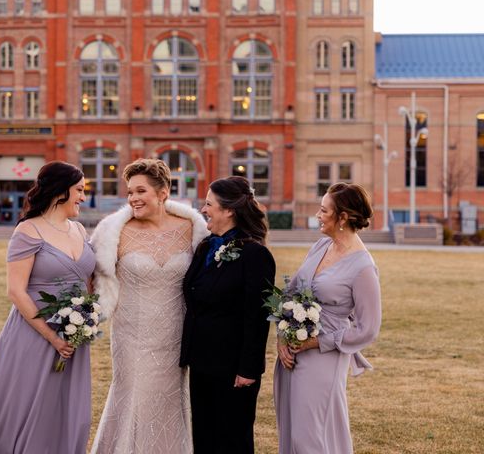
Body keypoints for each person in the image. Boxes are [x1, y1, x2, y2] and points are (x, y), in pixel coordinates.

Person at [0, 161, 95, 454]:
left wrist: (87, 317)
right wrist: (52, 337)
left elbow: (90, 282)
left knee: (69, 410)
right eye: (79, 190)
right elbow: (16, 290)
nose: (84, 197)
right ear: (60, 191)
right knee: (25, 404)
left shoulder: (80, 230)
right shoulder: (28, 230)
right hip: (34, 334)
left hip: (74, 336)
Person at [90, 158, 208, 454]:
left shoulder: (192, 229)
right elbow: (92, 279)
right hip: (131, 335)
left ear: (163, 192)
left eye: (140, 191)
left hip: (175, 335)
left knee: (169, 401)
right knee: (133, 397)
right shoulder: (113, 232)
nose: (133, 199)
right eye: (130, 192)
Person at [274, 182, 382, 454]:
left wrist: (316, 343)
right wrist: (282, 337)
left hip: (325, 357)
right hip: (293, 352)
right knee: (291, 427)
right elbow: (292, 290)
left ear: (343, 217)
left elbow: (368, 328)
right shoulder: (321, 245)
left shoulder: (363, 267)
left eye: (324, 210)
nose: (317, 215)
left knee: (308, 435)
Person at [180, 176, 276, 454]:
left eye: (209, 204)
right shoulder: (206, 247)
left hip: (234, 368)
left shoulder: (255, 254)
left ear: (229, 210)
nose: (204, 209)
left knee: (232, 439)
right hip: (201, 362)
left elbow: (257, 318)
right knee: (205, 437)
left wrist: (248, 369)